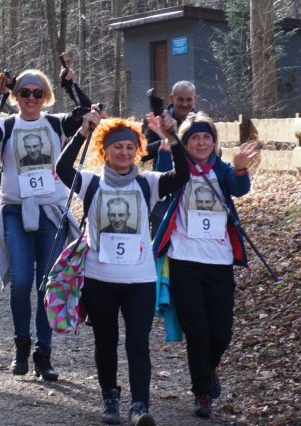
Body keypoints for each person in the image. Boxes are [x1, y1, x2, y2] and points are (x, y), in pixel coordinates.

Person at [56, 109, 189, 425]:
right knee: (105, 341)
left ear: (138, 150)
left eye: (131, 147)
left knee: (137, 343)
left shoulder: (149, 184)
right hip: (99, 278)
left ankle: (140, 406)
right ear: (105, 150)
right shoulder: (90, 184)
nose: (124, 152)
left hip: (140, 281)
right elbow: (61, 169)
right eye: (118, 146)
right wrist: (82, 134)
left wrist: (172, 137)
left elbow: (183, 175)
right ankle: (110, 399)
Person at [0, 68, 85, 381]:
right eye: (25, 92)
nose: (32, 98)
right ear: (17, 95)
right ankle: (21, 343)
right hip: (15, 210)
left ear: (46, 95)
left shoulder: (56, 123)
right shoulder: (7, 125)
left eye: (38, 93)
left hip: (51, 211)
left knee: (47, 283)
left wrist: (71, 85)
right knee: (22, 280)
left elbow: (87, 114)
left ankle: (44, 353)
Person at [153, 112, 257, 419]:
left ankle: (208, 371)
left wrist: (240, 170)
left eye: (206, 137)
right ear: (186, 142)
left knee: (221, 333)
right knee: (197, 331)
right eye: (195, 137)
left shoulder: (222, 170)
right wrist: (165, 144)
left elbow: (239, 189)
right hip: (184, 260)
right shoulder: (180, 168)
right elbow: (162, 176)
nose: (201, 142)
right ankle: (201, 392)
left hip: (219, 262)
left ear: (214, 142)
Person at [143, 81, 197, 237]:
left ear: (195, 99)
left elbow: (214, 153)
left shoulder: (201, 122)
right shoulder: (159, 120)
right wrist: (165, 140)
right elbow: (143, 152)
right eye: (180, 99)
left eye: (189, 99)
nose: (185, 104)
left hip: (192, 188)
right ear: (172, 99)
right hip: (164, 188)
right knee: (160, 235)